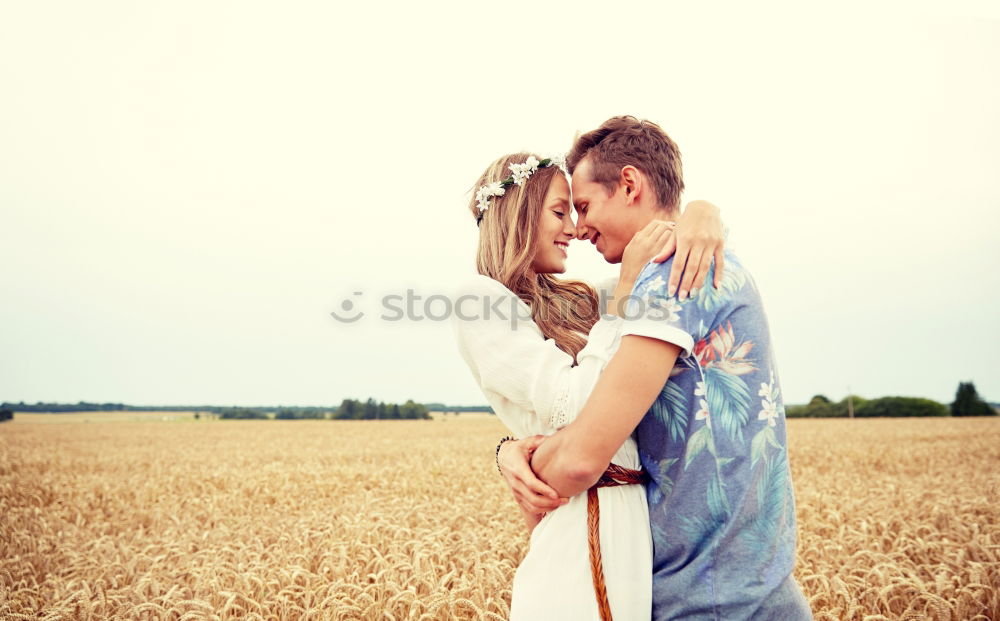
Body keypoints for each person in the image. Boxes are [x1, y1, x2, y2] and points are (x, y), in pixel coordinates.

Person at [498, 116, 813, 620]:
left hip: (705, 600)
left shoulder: (668, 280)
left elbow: (580, 461)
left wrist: (520, 458)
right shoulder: (718, 261)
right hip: (760, 591)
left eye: (583, 206)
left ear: (629, 184)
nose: (578, 228)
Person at [451, 150, 726, 620]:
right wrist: (507, 448)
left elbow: (658, 252)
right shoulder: (479, 300)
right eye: (560, 212)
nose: (576, 229)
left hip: (633, 533)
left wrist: (704, 212)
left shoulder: (582, 299)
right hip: (579, 533)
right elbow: (573, 407)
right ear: (516, 215)